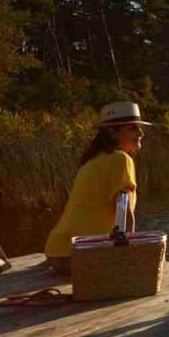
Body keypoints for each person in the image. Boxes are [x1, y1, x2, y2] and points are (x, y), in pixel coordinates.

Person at [43, 102, 150, 274]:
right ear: (112, 132)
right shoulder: (121, 159)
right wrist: (128, 255)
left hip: (57, 251)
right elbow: (123, 210)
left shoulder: (93, 160)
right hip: (81, 255)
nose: (140, 133)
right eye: (133, 128)